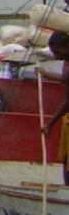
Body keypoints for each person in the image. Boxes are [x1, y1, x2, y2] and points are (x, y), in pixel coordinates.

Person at [42, 31, 69, 184]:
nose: (55, 56)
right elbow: (65, 80)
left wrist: (50, 123)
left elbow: (67, 102)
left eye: (57, 52)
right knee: (65, 159)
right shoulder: (66, 59)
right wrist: (46, 74)